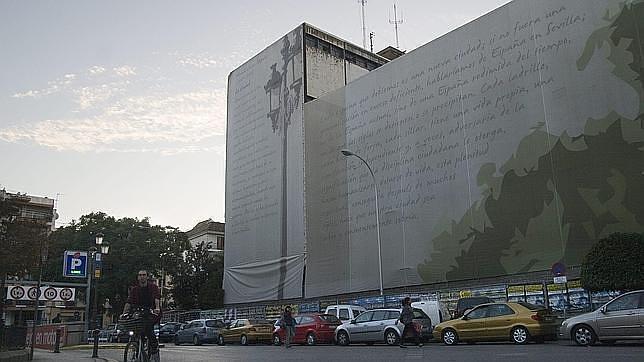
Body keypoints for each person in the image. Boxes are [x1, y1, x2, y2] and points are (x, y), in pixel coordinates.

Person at [122, 270, 161, 356]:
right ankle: (138, 347)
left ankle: (154, 345)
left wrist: (157, 308)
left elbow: (156, 298)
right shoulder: (135, 289)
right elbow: (129, 302)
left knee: (148, 328)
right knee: (137, 328)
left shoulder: (153, 287)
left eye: (144, 275)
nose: (142, 277)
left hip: (152, 311)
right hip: (139, 312)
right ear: (138, 277)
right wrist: (124, 313)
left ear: (147, 277)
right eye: (140, 275)